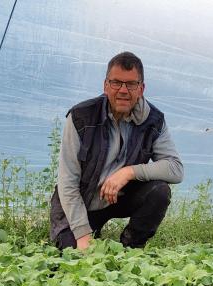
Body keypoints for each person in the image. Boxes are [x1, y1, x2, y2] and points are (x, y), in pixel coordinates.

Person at [49, 51, 183, 250]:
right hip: (81, 203)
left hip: (118, 198)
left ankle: (131, 247)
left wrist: (128, 172)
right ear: (105, 86)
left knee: (159, 191)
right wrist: (83, 235)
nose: (123, 90)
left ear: (141, 88)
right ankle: (88, 230)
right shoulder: (81, 117)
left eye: (131, 84)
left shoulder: (153, 121)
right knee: (70, 254)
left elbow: (175, 169)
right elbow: (67, 182)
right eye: (116, 82)